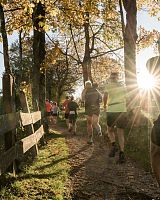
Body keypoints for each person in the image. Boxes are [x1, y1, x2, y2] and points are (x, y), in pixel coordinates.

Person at [103, 72, 127, 163]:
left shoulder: (108, 86)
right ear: (117, 78)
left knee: (109, 129)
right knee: (120, 132)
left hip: (112, 109)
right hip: (122, 109)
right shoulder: (122, 86)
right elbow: (127, 97)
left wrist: (104, 106)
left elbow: (105, 97)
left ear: (110, 78)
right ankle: (122, 153)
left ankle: (113, 145)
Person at [82, 80, 102, 144]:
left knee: (89, 124)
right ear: (91, 85)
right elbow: (101, 99)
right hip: (96, 108)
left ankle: (90, 139)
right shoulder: (96, 90)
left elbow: (82, 99)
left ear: (86, 85)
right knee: (95, 123)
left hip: (88, 108)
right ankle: (99, 132)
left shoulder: (85, 90)